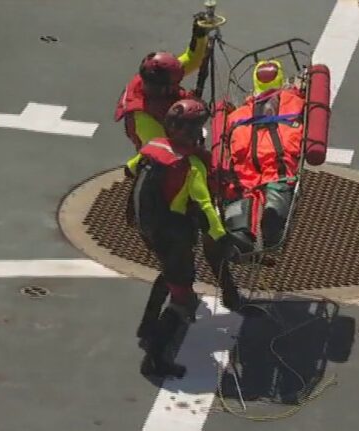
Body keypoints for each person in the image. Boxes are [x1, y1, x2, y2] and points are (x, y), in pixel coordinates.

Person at [126, 98, 239, 378]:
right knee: (183, 298)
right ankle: (155, 360)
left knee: (168, 273)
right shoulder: (191, 166)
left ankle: (147, 326)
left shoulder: (153, 148)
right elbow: (206, 208)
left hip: (148, 229)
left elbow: (129, 169)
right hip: (173, 234)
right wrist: (223, 239)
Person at [211, 59, 307, 254]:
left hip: (246, 164)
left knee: (244, 189)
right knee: (278, 184)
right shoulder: (294, 102)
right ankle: (273, 220)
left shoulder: (237, 115)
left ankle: (241, 229)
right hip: (278, 162)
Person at [114, 14, 210, 151]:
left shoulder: (157, 75)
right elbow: (166, 153)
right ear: (165, 88)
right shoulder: (145, 120)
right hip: (160, 151)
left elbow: (192, 59)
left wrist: (199, 36)